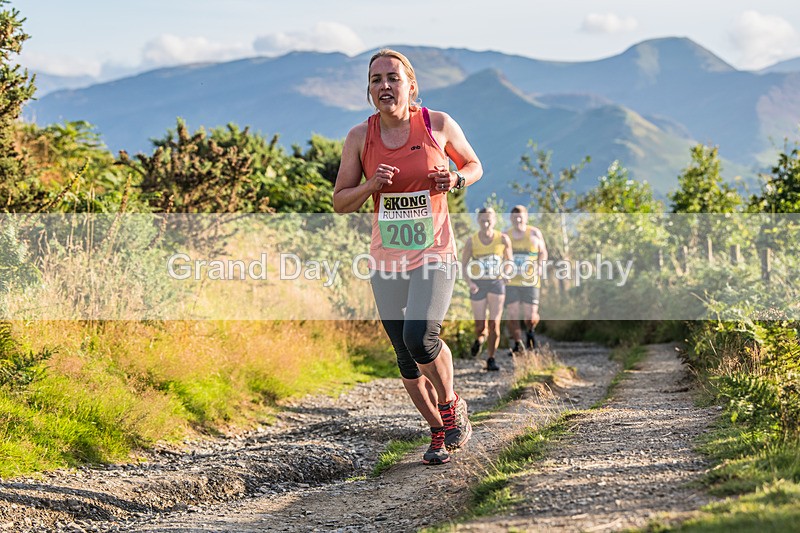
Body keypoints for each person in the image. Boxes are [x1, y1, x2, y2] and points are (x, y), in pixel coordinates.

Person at [333, 49, 482, 466]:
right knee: (404, 351)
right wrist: (370, 186)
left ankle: (452, 405)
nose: (385, 86)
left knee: (421, 336)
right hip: (386, 258)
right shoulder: (360, 138)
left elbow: (474, 164)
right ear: (369, 89)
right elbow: (340, 201)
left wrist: (454, 178)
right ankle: (438, 431)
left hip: (435, 251)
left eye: (393, 78)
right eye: (376, 79)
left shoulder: (437, 124)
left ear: (410, 85)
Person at [461, 207, 512, 372]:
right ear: (478, 221)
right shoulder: (471, 241)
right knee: (480, 325)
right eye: (483, 220)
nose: (486, 223)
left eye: (489, 220)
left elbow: (509, 261)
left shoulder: (503, 239)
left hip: (496, 283)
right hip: (478, 285)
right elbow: (463, 265)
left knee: (494, 324)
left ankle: (491, 358)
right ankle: (479, 340)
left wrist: (507, 273)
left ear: (494, 220)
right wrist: (470, 283)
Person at [504, 205, 547, 354]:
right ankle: (518, 344)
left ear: (526, 217)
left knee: (530, 316)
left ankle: (530, 331)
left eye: (520, 216)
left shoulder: (534, 233)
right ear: (511, 218)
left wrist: (540, 266)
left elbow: (543, 253)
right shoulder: (506, 235)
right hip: (512, 281)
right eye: (515, 217)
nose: (518, 219)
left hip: (531, 281)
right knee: (512, 313)